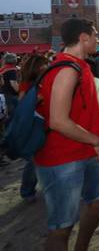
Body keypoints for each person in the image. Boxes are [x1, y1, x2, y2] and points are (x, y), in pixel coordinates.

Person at [34, 18, 99, 251]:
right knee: (62, 226)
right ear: (83, 38)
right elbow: (58, 120)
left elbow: (81, 111)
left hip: (84, 151)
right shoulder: (67, 69)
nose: (98, 39)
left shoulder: (81, 66)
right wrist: (95, 139)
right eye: (95, 35)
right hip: (62, 158)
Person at [17, 54, 49, 202]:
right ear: (36, 66)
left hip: (48, 122)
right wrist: (37, 99)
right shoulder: (27, 83)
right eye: (43, 64)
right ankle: (27, 191)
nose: (46, 66)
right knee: (33, 160)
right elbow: (22, 102)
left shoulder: (46, 79)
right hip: (35, 124)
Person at [0, 53, 19, 118]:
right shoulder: (11, 70)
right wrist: (20, 91)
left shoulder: (2, 69)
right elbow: (13, 84)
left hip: (3, 94)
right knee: (12, 115)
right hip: (10, 95)